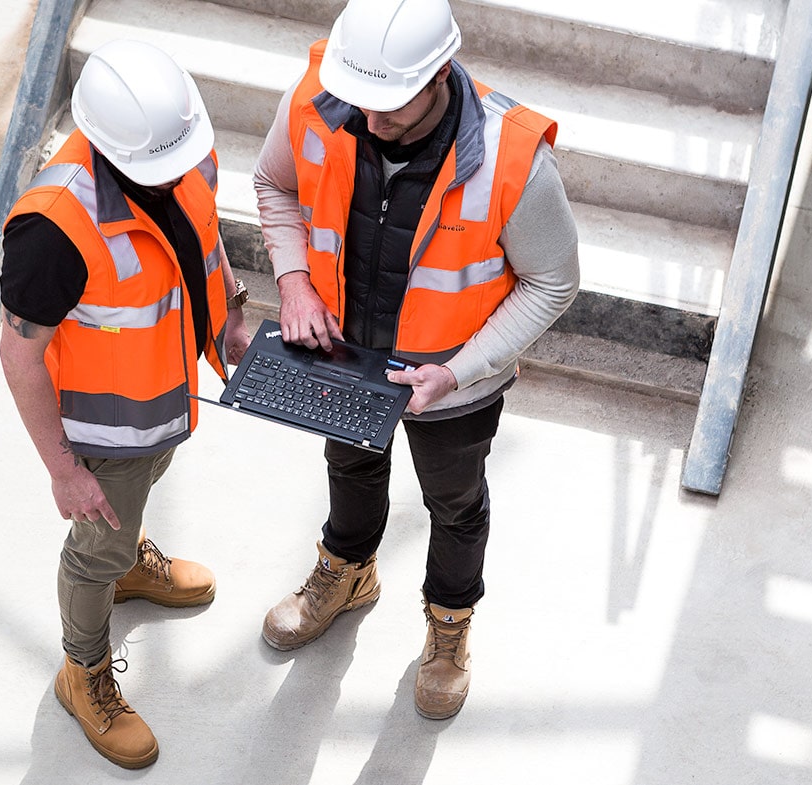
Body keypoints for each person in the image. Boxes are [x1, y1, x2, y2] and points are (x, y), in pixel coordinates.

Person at [252, 0, 580, 719]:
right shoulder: (319, 95)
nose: (370, 121)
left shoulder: (512, 158)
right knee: (349, 464)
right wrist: (296, 279)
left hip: (451, 387)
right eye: (361, 102)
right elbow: (274, 183)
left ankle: (449, 628)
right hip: (347, 356)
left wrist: (458, 371)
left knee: (455, 505)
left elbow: (554, 280)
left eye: (391, 107)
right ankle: (346, 571)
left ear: (438, 75)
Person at [0, 40, 249, 769]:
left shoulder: (178, 145)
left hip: (163, 403)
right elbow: (18, 355)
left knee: (135, 501)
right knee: (92, 549)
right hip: (101, 433)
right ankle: (84, 673)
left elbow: (204, 236)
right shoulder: (54, 229)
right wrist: (63, 469)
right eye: (160, 170)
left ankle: (128, 560)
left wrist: (228, 311)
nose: (179, 174)